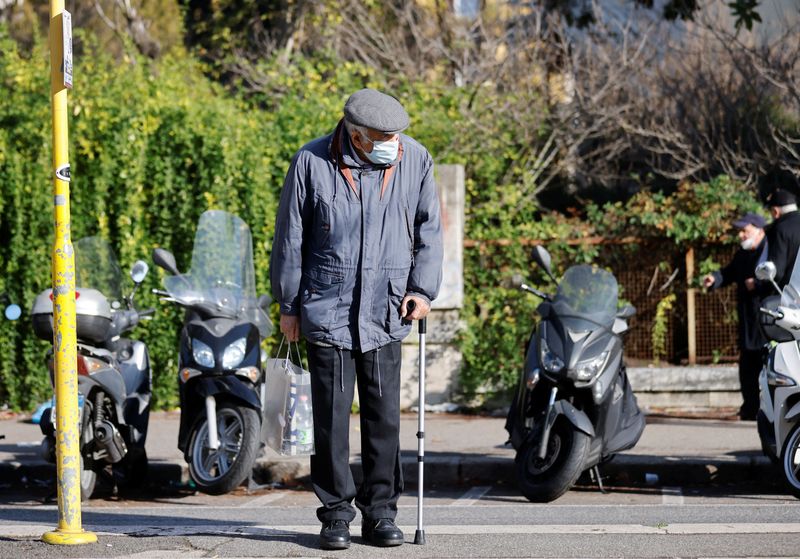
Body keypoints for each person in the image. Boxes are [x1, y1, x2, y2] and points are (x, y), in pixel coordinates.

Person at [270, 88, 443, 550]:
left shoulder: (416, 160)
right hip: (327, 308)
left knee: (383, 420)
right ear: (356, 134)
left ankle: (381, 513)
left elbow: (429, 230)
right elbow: (290, 237)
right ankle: (335, 516)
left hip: (386, 309)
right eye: (384, 136)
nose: (394, 143)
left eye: (397, 136)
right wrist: (289, 306)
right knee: (330, 422)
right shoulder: (311, 162)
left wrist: (422, 290)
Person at [703, 212, 767, 421]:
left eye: (744, 230)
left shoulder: (771, 250)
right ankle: (750, 409)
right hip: (748, 322)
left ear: (759, 231)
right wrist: (715, 278)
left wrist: (757, 284)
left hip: (767, 322)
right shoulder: (743, 254)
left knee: (767, 368)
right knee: (747, 369)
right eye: (740, 231)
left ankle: (767, 411)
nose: (740, 235)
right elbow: (730, 272)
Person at [764, 188, 800, 289]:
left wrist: (760, 285)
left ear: (775, 211)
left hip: (792, 295)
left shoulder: (780, 229)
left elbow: (776, 271)